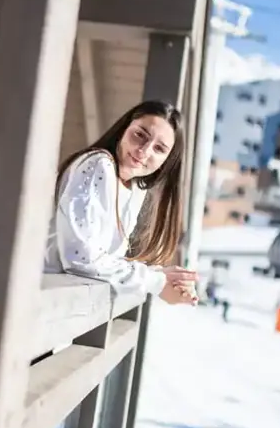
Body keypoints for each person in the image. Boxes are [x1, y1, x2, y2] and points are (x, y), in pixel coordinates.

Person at [44, 100, 198, 306]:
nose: (144, 151)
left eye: (159, 148)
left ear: (166, 161)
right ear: (124, 128)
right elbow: (80, 258)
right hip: (35, 295)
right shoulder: (98, 165)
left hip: (57, 306)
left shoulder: (134, 189)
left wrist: (160, 275)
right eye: (140, 135)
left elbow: (103, 259)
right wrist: (157, 282)